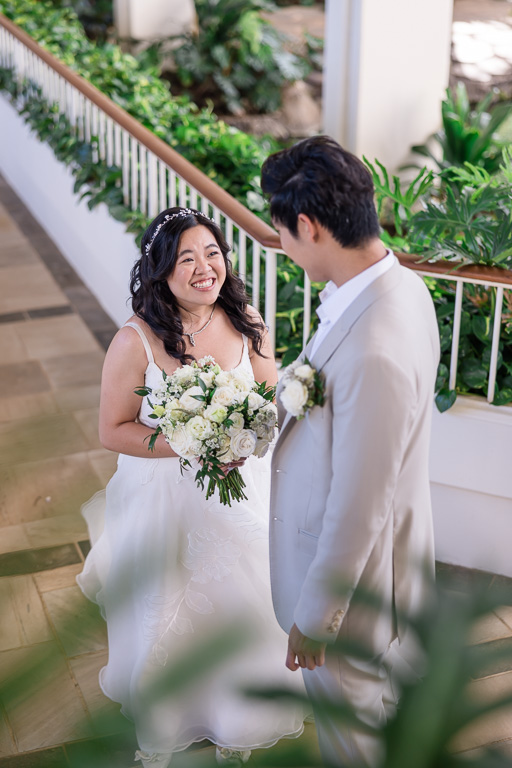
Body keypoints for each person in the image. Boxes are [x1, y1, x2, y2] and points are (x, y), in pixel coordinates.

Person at [77, 207, 306, 768]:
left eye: (213, 253)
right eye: (186, 258)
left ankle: (240, 709)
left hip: (241, 482)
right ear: (161, 270)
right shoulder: (136, 340)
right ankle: (175, 710)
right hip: (163, 499)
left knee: (248, 594)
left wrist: (246, 440)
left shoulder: (247, 320)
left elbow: (268, 398)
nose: (205, 268)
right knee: (172, 604)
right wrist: (188, 444)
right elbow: (113, 429)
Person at [261, 136, 440, 767]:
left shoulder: (375, 348)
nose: (281, 245)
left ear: (308, 226)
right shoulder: (400, 285)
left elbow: (361, 500)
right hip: (384, 568)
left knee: (352, 737)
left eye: (281, 231)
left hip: (357, 593)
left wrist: (317, 615)